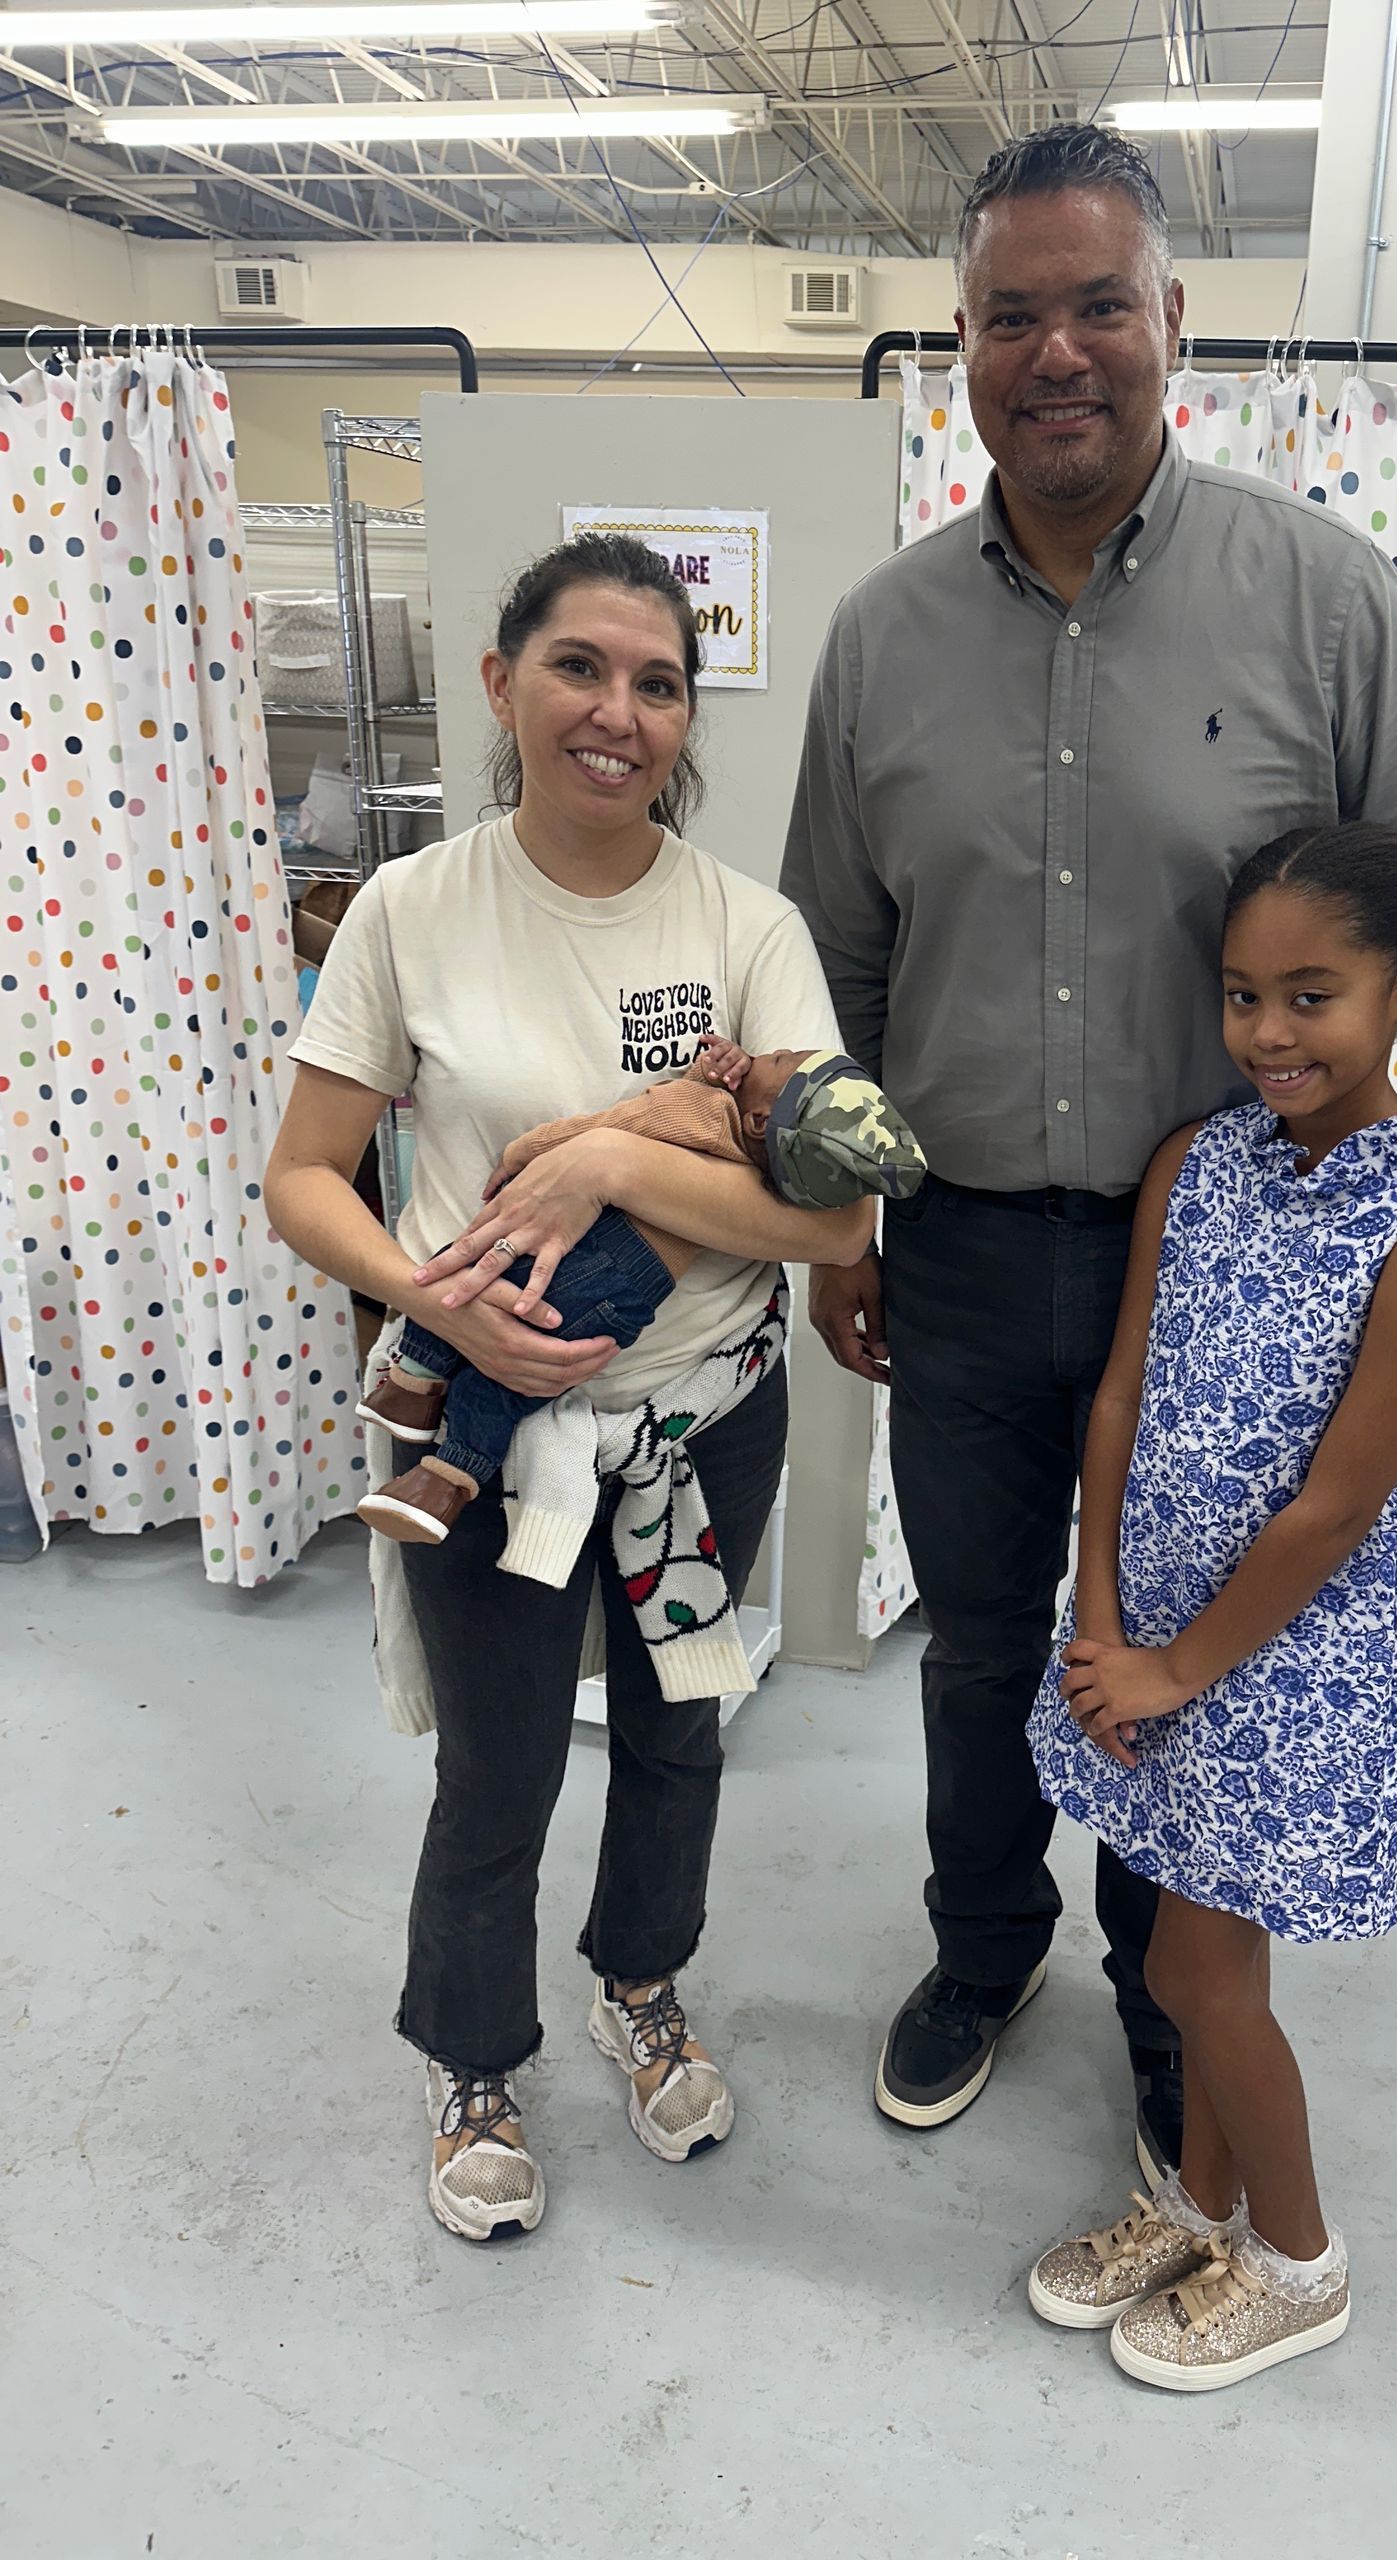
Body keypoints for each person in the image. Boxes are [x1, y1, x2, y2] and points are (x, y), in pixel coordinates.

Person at [781, 125, 1397, 2179]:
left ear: (1170, 327)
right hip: (952, 1256)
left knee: (1180, 1661)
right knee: (974, 1643)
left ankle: (1166, 1996)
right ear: (958, 344)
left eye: (1096, 305)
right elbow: (833, 966)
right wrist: (837, 1219)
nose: (1058, 350)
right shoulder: (876, 642)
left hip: (1228, 1282)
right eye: (1010, 314)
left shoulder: (1321, 597)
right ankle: (982, 1946)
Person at [265, 534, 872, 2243]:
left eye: (659, 682)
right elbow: (307, 1176)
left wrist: (605, 1161)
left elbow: (834, 1211)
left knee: (683, 1732)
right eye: (580, 668)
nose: (619, 711)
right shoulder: (412, 911)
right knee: (503, 1762)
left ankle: (641, 1987)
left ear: (689, 715)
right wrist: (442, 1293)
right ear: (502, 685)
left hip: (699, 1425)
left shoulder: (748, 932)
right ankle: (472, 2055)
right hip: (493, 1432)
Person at [1021, 822, 1397, 2391]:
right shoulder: (1197, 1162)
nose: (1272, 1035)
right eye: (1242, 997)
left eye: (1314, 996)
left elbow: (1339, 1500)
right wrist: (1100, 1618)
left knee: (1191, 1970)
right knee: (1193, 1948)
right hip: (1146, 1631)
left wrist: (1182, 1669)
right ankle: (1194, 2202)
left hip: (1288, 1656)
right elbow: (1121, 1397)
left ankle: (1298, 2258)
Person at [355, 1037, 925, 1543]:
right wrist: (732, 1065)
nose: (770, 1050)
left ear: (756, 1119)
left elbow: (609, 1128)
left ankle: (413, 1387)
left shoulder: (697, 1111)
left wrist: (522, 1154)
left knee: (458, 1278)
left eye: (778, 1059)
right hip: (640, 1291)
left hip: (589, 1258)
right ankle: (446, 1481)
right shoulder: (774, 1179)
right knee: (507, 1384)